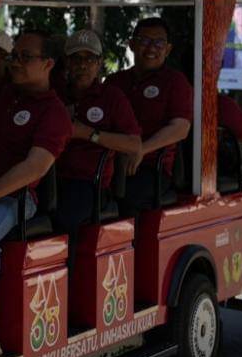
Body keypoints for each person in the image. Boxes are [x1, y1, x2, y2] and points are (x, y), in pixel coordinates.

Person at [0, 31, 72, 357]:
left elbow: (36, 166)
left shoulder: (54, 113)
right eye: (14, 55)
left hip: (13, 199)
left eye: (25, 57)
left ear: (48, 64)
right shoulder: (3, 95)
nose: (15, 62)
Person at [52, 30, 142, 263]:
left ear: (100, 63)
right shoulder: (54, 94)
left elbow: (133, 144)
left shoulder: (111, 97)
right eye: (76, 59)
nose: (83, 66)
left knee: (64, 217)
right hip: (47, 176)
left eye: (89, 59)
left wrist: (88, 134)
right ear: (66, 63)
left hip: (89, 184)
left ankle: (67, 287)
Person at [106, 17, 193, 215]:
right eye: (144, 41)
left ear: (168, 48)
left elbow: (180, 128)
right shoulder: (114, 81)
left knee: (128, 198)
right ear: (131, 44)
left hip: (152, 166)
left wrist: (141, 150)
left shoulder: (175, 82)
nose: (152, 48)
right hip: (109, 162)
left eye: (159, 42)